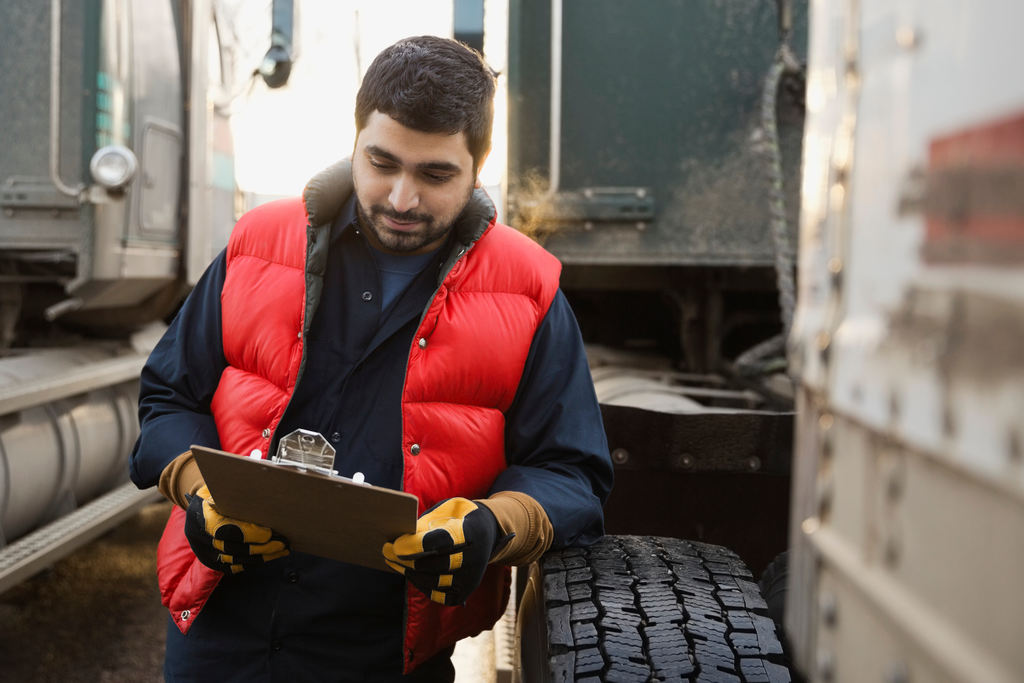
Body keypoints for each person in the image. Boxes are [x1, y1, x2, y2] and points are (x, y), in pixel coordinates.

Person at [129, 35, 612, 682]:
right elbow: (167, 399)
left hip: (388, 655)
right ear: (355, 138)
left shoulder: (529, 292)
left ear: (479, 165)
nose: (401, 198)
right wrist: (200, 496)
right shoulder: (255, 245)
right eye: (381, 162)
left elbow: (574, 474)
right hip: (217, 637)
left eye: (435, 174)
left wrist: (490, 526)